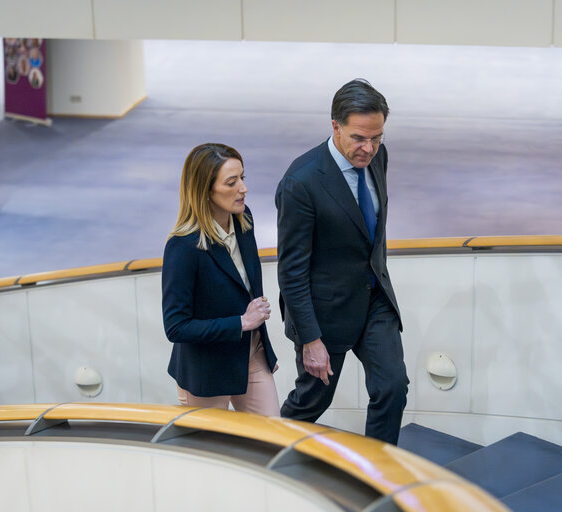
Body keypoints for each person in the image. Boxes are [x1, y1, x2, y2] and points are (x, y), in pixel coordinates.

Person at [276, 79, 409, 444]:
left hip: (374, 300)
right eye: (358, 138)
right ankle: (269, 456)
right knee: (312, 402)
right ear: (335, 126)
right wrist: (310, 339)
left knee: (392, 388)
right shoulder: (300, 183)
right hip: (325, 313)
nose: (369, 148)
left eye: (377, 137)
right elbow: (291, 271)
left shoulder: (378, 156)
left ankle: (378, 474)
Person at [162, 143, 279, 416]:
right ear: (205, 191)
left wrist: (264, 350)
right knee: (209, 450)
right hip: (207, 371)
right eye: (231, 182)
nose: (243, 189)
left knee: (272, 438)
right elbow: (176, 327)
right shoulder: (183, 246)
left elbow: (248, 291)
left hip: (250, 355)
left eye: (242, 178)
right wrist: (241, 322)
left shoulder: (243, 218)